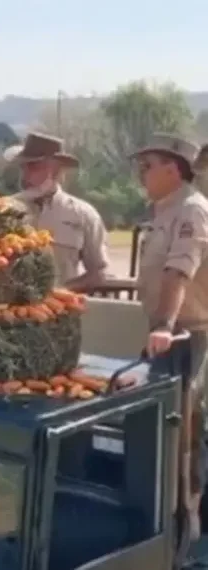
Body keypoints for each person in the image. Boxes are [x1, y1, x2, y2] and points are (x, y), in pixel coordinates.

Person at [131, 133, 208, 539]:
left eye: (148, 166)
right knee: (160, 432)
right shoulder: (164, 210)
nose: (141, 174)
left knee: (187, 434)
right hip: (165, 333)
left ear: (174, 169)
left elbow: (180, 272)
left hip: (188, 336)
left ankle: (189, 532)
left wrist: (164, 326)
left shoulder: (192, 211)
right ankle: (162, 523)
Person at [3, 132, 111, 291]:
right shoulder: (2, 211)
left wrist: (60, 291)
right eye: (23, 167)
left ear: (56, 170)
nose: (25, 176)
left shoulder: (83, 215)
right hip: (10, 312)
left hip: (61, 312)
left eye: (34, 166)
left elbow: (100, 272)